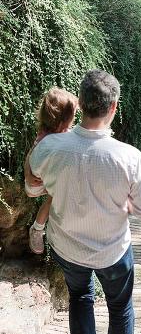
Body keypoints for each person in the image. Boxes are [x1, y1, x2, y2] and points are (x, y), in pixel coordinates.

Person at [27, 70, 141, 334]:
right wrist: (126, 204)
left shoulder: (50, 148)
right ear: (114, 107)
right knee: (120, 306)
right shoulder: (129, 157)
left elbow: (31, 188)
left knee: (80, 299)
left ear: (80, 103)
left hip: (67, 249)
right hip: (113, 250)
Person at [24, 88, 78, 254]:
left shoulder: (48, 133)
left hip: (39, 181)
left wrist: (27, 171)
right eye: (74, 114)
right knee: (55, 197)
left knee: (57, 193)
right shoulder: (51, 138)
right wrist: (28, 174)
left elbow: (30, 155)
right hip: (36, 185)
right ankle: (37, 229)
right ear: (64, 120)